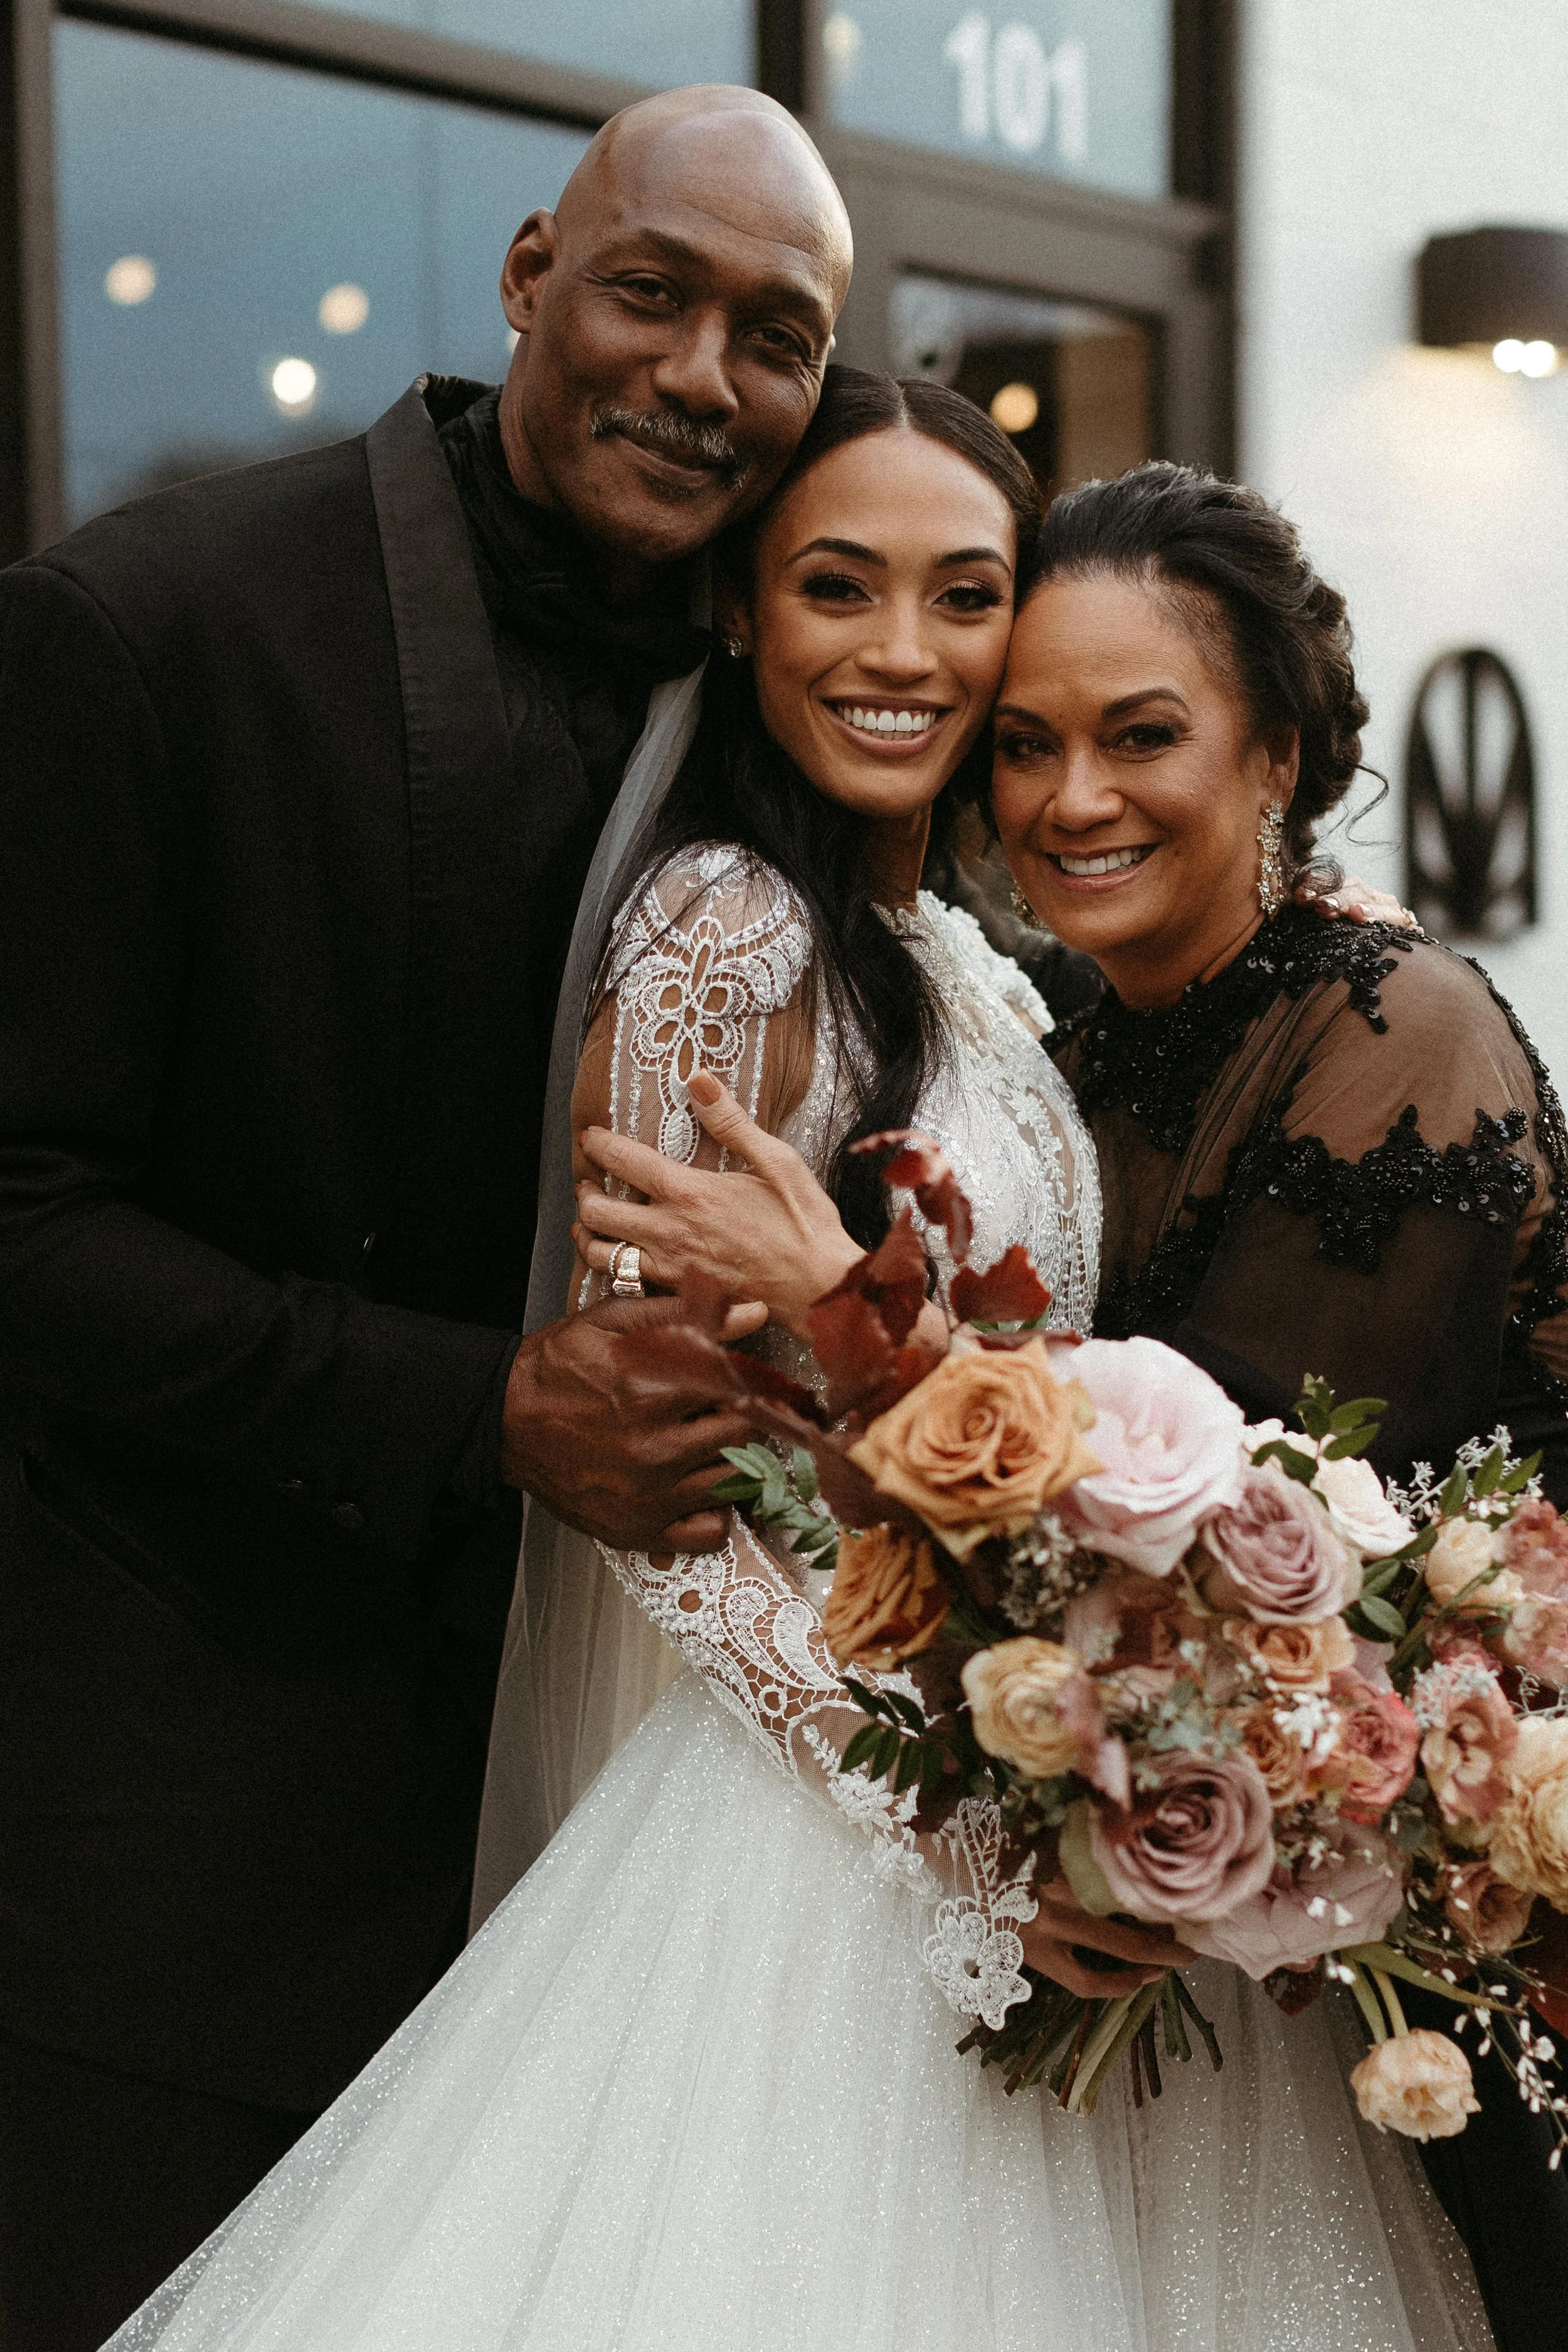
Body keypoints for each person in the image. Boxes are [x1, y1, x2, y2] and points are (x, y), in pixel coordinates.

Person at [103, 378, 1490, 2352]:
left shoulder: (963, 964)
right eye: (838, 588)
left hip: (1003, 1762)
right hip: (824, 1836)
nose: (903, 651)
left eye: (961, 594)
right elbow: (662, 1493)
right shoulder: (722, 928)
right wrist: (965, 1826)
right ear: (746, 615)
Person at [0, 82, 854, 2352]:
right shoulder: (141, 624)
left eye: (773, 335)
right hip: (197, 1828)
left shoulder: (803, 680)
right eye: (651, 291)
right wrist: (475, 1406)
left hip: (632, 1853)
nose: (699, 373)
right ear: (525, 278)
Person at [988, 462, 1568, 2352]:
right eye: (1021, 742)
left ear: (1280, 753)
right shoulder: (1046, 1045)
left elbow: (1250, 1546)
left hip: (1472, 1928)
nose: (1069, 798)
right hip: (1250, 1885)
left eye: (1139, 732)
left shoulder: (1397, 1028)